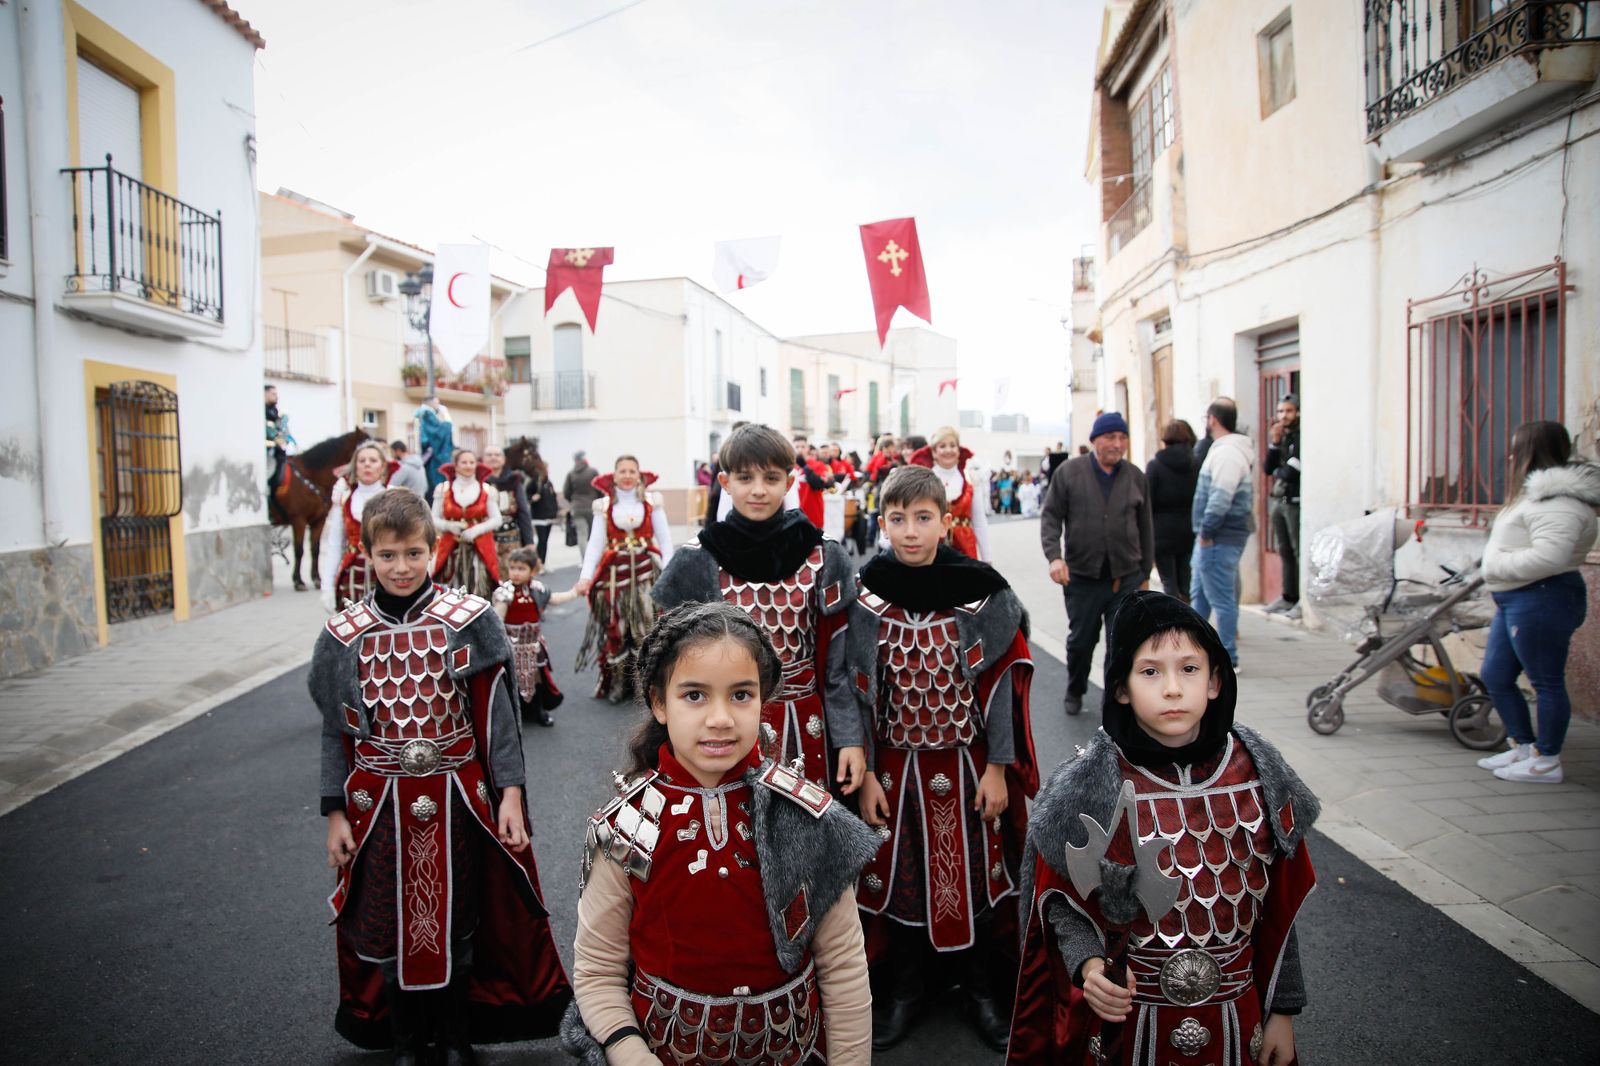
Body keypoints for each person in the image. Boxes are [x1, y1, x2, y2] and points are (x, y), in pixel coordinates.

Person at [307, 489, 571, 1062]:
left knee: (460, 918)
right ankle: (405, 1042)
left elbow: (500, 720)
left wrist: (511, 795)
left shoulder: (468, 620)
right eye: (387, 555)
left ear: (433, 550)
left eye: (413, 553)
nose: (401, 567)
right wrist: (334, 812)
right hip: (377, 806)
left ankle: (455, 1040)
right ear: (367, 554)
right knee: (385, 921)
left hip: (457, 798)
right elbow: (335, 731)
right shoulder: (344, 635)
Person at [1005, 590, 1317, 1066]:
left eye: (1189, 668)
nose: (1172, 688)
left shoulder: (1259, 774)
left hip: (1239, 1017)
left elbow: (1281, 907)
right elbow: (1063, 906)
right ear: (1121, 688)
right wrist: (1089, 966)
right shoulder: (1091, 783)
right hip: (1132, 1024)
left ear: (1215, 680)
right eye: (1150, 672)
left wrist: (1283, 1012)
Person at [562, 600, 878, 1065]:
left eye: (741, 695)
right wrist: (627, 1050)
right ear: (659, 703)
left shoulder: (806, 816)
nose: (721, 718)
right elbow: (598, 971)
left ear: (763, 700)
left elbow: (844, 965)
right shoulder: (625, 828)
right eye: (695, 695)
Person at [834, 465, 1038, 1052]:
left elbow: (1001, 689)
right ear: (883, 523)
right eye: (898, 519)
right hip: (894, 770)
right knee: (900, 879)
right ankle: (904, 989)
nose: (910, 531)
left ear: (945, 522)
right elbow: (854, 687)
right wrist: (867, 775)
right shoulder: (867, 593)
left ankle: (980, 990)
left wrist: (998, 769)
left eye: (923, 518)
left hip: (968, 767)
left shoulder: (980, 590)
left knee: (974, 877)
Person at [653, 424, 857, 788]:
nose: (759, 490)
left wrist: (850, 738)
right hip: (723, 726)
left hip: (807, 726)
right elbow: (669, 669)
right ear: (725, 482)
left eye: (771, 477)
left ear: (789, 482)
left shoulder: (823, 556)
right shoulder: (696, 560)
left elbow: (839, 667)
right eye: (745, 477)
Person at [1475, 422, 1599, 785]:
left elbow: (1550, 557)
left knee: (1545, 681)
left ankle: (1547, 761)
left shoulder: (1558, 503)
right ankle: (1523, 746)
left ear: (1530, 453)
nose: (1510, 457)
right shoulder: (1534, 498)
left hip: (1543, 597)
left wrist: (1494, 567)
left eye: (1516, 449)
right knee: (1496, 675)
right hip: (1517, 597)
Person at [1038, 411, 1155, 716]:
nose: (1117, 444)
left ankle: (1111, 704)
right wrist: (1054, 557)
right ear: (1094, 440)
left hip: (1125, 576)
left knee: (1121, 644)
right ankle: (1075, 687)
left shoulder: (1135, 477)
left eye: (1122, 437)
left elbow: (1146, 527)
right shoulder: (1069, 473)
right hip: (1082, 577)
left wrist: (1145, 572)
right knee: (1081, 642)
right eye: (1110, 437)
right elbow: (1051, 517)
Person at [574, 456, 675, 702]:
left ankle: (645, 683)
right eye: (623, 471)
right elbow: (595, 544)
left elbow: (665, 540)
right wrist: (585, 577)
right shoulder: (603, 506)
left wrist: (670, 573)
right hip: (613, 577)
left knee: (646, 629)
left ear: (639, 475)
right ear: (615, 475)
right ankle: (619, 682)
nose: (627, 475)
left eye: (632, 471)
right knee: (616, 629)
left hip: (645, 574)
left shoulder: (651, 503)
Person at [1190, 398, 1254, 669]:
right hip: (1213, 538)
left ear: (1213, 419)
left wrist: (1206, 533)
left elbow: (1220, 498)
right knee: (1200, 597)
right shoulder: (1225, 450)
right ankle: (1194, 653)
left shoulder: (1228, 454)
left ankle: (1228, 659)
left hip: (1217, 538)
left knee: (1221, 599)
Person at [493, 546, 575, 728]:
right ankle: (515, 713)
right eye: (512, 568)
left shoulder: (538, 589)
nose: (515, 573)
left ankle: (539, 710)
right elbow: (498, 619)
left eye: (521, 568)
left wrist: (574, 592)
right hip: (512, 645)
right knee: (512, 678)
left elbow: (554, 599)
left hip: (533, 643)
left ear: (533, 571)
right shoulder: (505, 592)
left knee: (537, 677)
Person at [318, 440, 395, 613]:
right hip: (353, 573)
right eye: (362, 461)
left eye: (373, 460)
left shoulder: (394, 495)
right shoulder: (344, 498)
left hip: (388, 572)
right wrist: (327, 587)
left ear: (383, 467)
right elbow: (334, 545)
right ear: (355, 466)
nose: (367, 464)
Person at [909, 425, 991, 561]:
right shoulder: (922, 479)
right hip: (931, 547)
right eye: (942, 446)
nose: (948, 450)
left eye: (953, 445)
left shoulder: (970, 479)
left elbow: (979, 521)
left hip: (965, 550)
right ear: (934, 452)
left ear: (958, 450)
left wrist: (987, 558)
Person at [432, 448, 502, 600]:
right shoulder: (443, 489)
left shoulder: (487, 490)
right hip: (450, 547)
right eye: (464, 462)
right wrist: (449, 526)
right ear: (456, 465)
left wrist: (477, 530)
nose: (468, 466)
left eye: (472, 462)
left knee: (480, 589)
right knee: (449, 588)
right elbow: (433, 518)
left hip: (480, 548)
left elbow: (497, 519)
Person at [1147, 419, 1201, 604]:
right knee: (1186, 584)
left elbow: (1149, 501)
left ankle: (1174, 618)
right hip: (1188, 530)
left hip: (1162, 533)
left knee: (1169, 583)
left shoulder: (1155, 465)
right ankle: (1187, 616)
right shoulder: (1196, 464)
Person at [1263, 395, 1303, 619]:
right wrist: (1275, 443)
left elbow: (1291, 472)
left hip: (1294, 502)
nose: (1283, 416)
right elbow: (1268, 468)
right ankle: (1288, 596)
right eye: (1280, 411)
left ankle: (1301, 599)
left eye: (1288, 411)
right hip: (1279, 501)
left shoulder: (1301, 435)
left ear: (1297, 412)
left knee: (1298, 552)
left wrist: (1281, 470)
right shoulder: (1282, 437)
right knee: (1284, 550)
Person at [481, 444, 534, 578]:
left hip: (511, 541)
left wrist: (529, 542)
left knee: (512, 579)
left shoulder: (513, 480)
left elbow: (523, 511)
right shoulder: (477, 482)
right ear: (483, 459)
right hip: (484, 540)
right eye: (489, 455)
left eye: (497, 455)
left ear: (503, 460)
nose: (493, 458)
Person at [414, 397, 454, 499]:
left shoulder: (423, 414)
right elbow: (439, 434)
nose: (439, 406)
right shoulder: (427, 414)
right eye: (437, 403)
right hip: (433, 461)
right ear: (430, 403)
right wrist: (447, 419)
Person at [562, 450, 602, 549]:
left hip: (576, 507)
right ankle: (594, 555)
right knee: (593, 533)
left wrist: (573, 501)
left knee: (581, 534)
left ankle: (584, 557)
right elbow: (600, 488)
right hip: (592, 506)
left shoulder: (571, 474)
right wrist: (599, 500)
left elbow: (566, 492)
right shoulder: (593, 472)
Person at [525, 459, 560, 565]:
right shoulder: (533, 482)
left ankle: (542, 563)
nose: (547, 470)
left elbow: (553, 498)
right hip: (539, 516)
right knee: (542, 540)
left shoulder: (548, 483)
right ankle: (538, 563)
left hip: (549, 515)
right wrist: (532, 498)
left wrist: (555, 511)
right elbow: (526, 495)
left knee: (545, 541)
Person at [792, 436, 832, 528]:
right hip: (794, 514)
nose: (800, 450)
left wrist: (805, 466)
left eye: (803, 447)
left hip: (813, 514)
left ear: (808, 448)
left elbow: (818, 485)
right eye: (797, 447)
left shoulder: (818, 465)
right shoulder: (791, 467)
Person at [265, 384, 291, 498]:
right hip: (267, 454)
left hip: (279, 453)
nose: (276, 397)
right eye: (273, 394)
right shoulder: (261, 412)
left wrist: (283, 439)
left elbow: (285, 433)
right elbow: (269, 431)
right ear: (265, 394)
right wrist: (277, 438)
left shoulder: (279, 414)